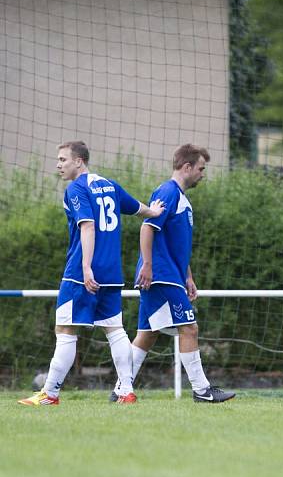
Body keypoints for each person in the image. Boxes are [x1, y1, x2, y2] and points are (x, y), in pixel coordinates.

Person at [19, 141, 164, 406]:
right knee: (114, 329)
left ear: (79, 161)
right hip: (111, 272)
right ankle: (126, 391)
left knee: (64, 329)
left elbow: (87, 227)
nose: (58, 164)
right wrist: (153, 211)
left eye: (63, 159)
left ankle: (49, 394)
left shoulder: (76, 188)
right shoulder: (109, 184)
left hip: (81, 272)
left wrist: (86, 267)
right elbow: (135, 207)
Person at [126, 144, 235, 403]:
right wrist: (148, 266)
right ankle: (202, 390)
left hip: (172, 274)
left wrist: (188, 276)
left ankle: (121, 388)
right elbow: (147, 228)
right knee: (190, 328)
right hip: (161, 275)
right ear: (186, 167)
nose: (203, 174)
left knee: (147, 334)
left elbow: (176, 243)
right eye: (200, 168)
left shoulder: (181, 198)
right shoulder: (168, 192)